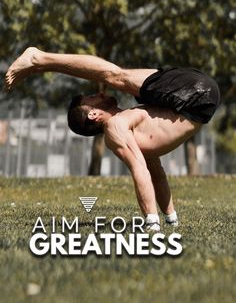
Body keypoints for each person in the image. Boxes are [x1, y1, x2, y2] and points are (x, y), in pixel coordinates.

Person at [5, 47, 221, 231]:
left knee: (116, 75)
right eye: (92, 98)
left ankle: (39, 60)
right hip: (196, 95)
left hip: (194, 95)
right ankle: (37, 59)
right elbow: (149, 171)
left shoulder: (127, 119)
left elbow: (145, 171)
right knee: (113, 75)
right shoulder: (116, 126)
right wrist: (165, 219)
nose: (99, 94)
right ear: (93, 115)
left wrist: (153, 223)